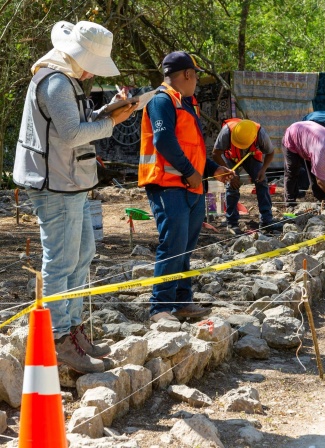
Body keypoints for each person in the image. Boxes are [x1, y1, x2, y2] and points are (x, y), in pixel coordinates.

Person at [13, 21, 138, 374]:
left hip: (68, 181)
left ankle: (71, 328)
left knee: (82, 253)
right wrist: (112, 122)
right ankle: (57, 337)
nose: (90, 72)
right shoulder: (55, 82)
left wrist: (109, 110)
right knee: (61, 261)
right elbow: (71, 135)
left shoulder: (62, 79)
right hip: (56, 185)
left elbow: (76, 125)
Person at [138, 51, 234, 324]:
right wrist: (191, 173)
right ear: (188, 74)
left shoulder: (187, 104)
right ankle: (160, 307)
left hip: (190, 186)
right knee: (173, 245)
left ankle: (181, 301)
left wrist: (213, 170)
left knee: (185, 247)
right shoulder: (161, 100)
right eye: (196, 77)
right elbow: (164, 142)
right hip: (167, 185)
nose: (197, 83)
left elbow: (193, 149)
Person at [212, 118, 283, 234]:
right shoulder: (227, 131)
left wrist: (263, 170)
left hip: (251, 156)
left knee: (262, 181)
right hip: (230, 157)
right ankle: (232, 222)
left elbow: (270, 153)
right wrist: (229, 172)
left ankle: (266, 220)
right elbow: (215, 154)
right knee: (232, 185)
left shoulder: (260, 133)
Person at [282, 121, 325, 206]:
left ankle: (323, 197)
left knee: (316, 172)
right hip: (293, 135)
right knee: (292, 171)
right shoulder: (320, 154)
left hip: (310, 140)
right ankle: (290, 201)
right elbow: (321, 181)